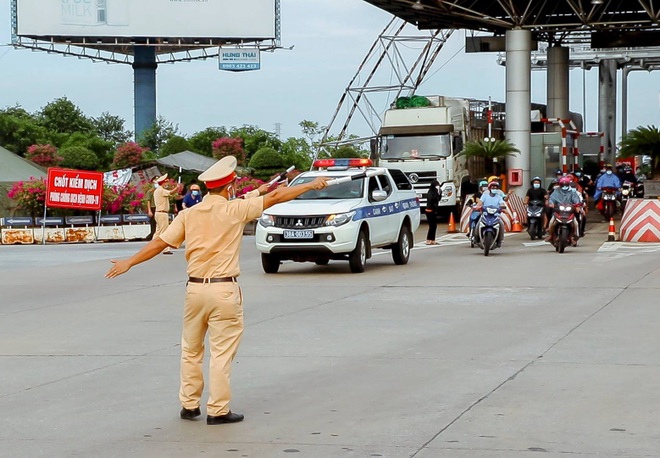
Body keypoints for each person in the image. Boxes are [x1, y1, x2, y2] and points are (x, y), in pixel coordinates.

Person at [105, 156, 328, 426]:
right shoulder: (234, 210)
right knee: (221, 352)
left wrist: (130, 262)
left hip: (194, 290)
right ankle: (218, 410)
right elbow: (279, 196)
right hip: (223, 290)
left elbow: (159, 243)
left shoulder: (190, 213)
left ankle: (189, 405)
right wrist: (311, 185)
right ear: (230, 186)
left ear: (208, 188)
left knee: (190, 349)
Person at [546, 175, 582, 246]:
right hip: (558, 211)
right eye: (563, 185)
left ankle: (573, 237)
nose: (564, 186)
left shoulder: (572, 192)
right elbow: (552, 198)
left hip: (569, 212)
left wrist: (577, 205)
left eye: (566, 185)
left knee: (576, 223)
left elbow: (576, 200)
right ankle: (551, 235)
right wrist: (551, 203)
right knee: (551, 222)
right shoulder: (556, 191)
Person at [150, 173, 181, 255]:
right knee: (164, 231)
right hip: (162, 213)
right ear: (163, 183)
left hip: (159, 213)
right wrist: (177, 188)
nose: (167, 184)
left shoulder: (158, 190)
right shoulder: (160, 190)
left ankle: (151, 246)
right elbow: (171, 193)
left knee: (158, 231)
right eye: (166, 182)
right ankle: (166, 249)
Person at [478, 181, 507, 247]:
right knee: (478, 224)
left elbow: (502, 204)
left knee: (501, 224)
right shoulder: (484, 195)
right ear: (489, 188)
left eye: (496, 188)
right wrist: (478, 207)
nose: (494, 189)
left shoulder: (499, 197)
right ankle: (476, 238)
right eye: (493, 187)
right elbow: (480, 203)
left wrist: (503, 208)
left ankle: (500, 240)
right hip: (485, 215)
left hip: (495, 216)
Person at [425, 180, 440, 245]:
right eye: (436, 186)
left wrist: (439, 193)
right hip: (429, 211)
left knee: (434, 226)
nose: (437, 187)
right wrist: (436, 195)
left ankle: (433, 240)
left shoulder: (436, 192)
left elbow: (438, 199)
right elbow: (431, 199)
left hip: (434, 210)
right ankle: (428, 239)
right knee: (431, 226)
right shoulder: (430, 192)